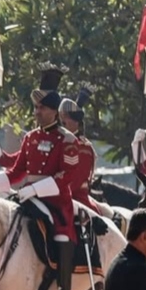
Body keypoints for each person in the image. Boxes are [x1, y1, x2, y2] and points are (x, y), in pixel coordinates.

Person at [0, 67, 77, 290]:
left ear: (54, 111)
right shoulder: (30, 138)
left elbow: (66, 177)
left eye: (41, 108)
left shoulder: (67, 140)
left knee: (63, 236)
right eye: (35, 108)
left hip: (55, 202)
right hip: (26, 197)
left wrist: (34, 189)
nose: (37, 112)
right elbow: (15, 173)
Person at [57, 86, 102, 215]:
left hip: (78, 199)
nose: (62, 121)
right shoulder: (59, 143)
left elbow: (76, 182)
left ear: (76, 122)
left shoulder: (84, 148)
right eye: (61, 117)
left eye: (65, 118)